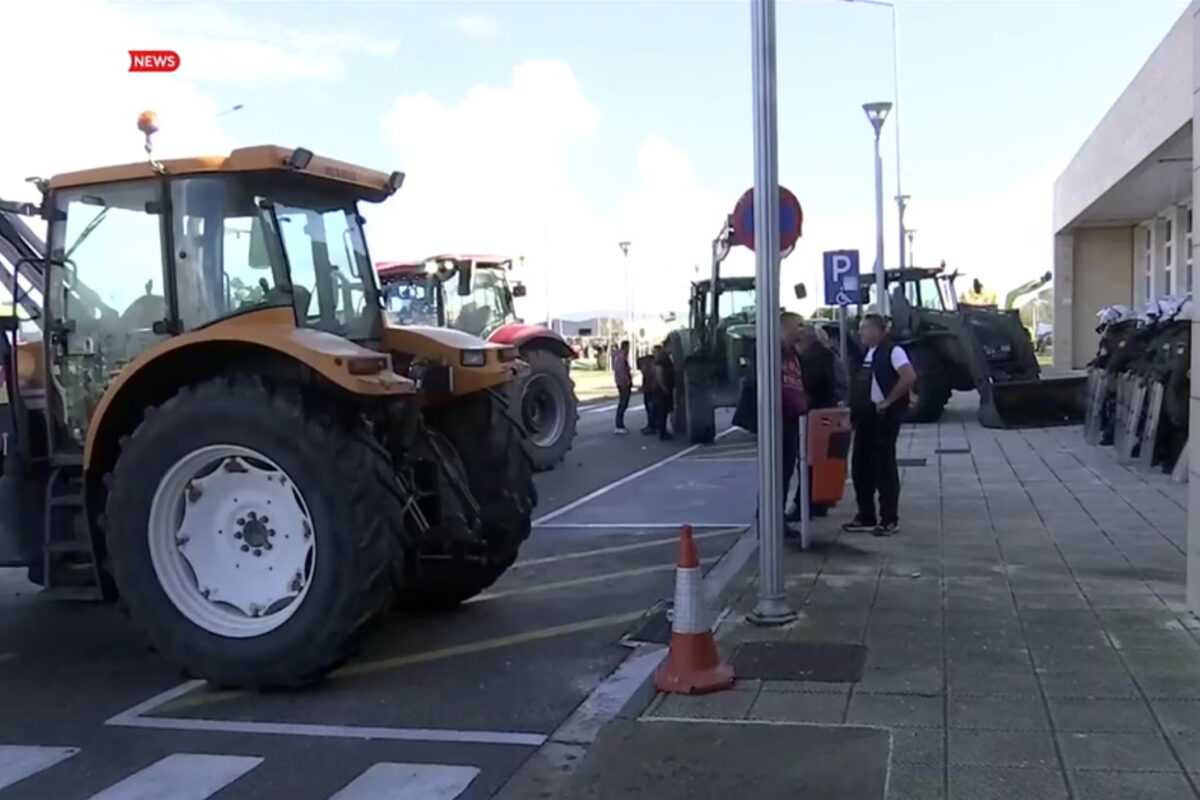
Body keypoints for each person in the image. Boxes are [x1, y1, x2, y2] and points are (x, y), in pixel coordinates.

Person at [844, 314, 917, 536]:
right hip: (864, 417)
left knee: (883, 468)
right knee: (860, 467)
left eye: (865, 328)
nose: (861, 333)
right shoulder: (868, 353)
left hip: (883, 419)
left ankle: (889, 518)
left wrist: (888, 401)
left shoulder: (894, 352)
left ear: (879, 330)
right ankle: (865, 515)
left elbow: (908, 376)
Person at [786, 323, 837, 523]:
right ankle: (817, 503)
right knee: (814, 461)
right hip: (821, 412)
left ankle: (806, 504)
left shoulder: (813, 357)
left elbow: (808, 384)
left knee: (808, 462)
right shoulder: (821, 354)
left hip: (814, 414)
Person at [780, 312, 808, 517]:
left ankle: (776, 517)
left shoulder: (793, 354)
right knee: (778, 473)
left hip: (792, 420)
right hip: (779, 421)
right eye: (799, 326)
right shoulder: (773, 352)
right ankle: (770, 518)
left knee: (787, 471)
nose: (802, 330)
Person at [651, 343, 675, 439]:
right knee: (662, 411)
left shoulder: (666, 358)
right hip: (662, 389)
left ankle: (663, 431)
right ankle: (662, 432)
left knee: (664, 410)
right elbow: (658, 372)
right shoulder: (662, 359)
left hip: (665, 387)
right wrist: (663, 386)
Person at [613, 340, 632, 434]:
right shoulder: (621, 357)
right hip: (623, 384)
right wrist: (626, 382)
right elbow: (621, 371)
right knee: (623, 403)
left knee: (623, 403)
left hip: (621, 383)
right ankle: (619, 425)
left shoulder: (619, 356)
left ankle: (620, 424)